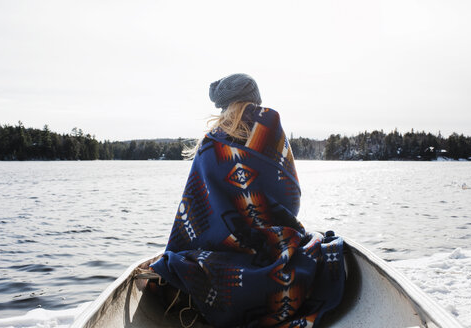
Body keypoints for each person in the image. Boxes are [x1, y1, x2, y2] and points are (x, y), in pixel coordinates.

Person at [148, 73, 345, 327]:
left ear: (224, 107)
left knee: (173, 268)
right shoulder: (273, 137)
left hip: (224, 256)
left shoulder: (212, 145)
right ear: (256, 100)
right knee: (316, 243)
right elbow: (292, 198)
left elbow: (194, 209)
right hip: (278, 247)